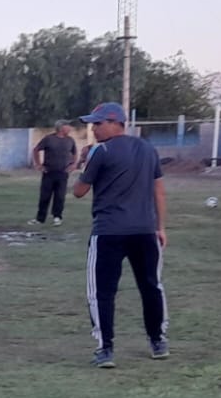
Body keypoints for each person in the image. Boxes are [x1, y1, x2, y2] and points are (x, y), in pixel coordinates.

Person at [71, 103, 169, 368]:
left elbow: (79, 191)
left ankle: (105, 349)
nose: (94, 129)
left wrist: (82, 164)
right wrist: (161, 227)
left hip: (109, 232)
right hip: (145, 231)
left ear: (115, 122)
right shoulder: (148, 149)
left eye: (98, 124)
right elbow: (159, 190)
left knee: (101, 292)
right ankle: (158, 341)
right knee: (151, 286)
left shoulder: (100, 152)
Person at [31, 122, 79, 226]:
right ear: (61, 128)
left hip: (63, 172)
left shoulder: (70, 140)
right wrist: (38, 164)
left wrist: (74, 164)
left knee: (60, 196)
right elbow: (36, 150)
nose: (70, 128)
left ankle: (57, 217)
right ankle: (40, 218)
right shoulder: (49, 139)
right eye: (68, 126)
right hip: (49, 171)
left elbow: (75, 153)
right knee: (45, 196)